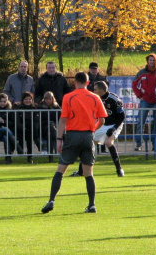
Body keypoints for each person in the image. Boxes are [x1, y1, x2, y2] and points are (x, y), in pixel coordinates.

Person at [41, 72, 107, 214]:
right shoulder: (95, 97)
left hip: (72, 135)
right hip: (88, 136)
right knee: (88, 173)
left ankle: (51, 200)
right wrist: (92, 131)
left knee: (60, 170)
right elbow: (102, 120)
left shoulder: (68, 97)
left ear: (74, 82)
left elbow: (63, 119)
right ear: (88, 83)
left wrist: (59, 139)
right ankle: (92, 205)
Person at [70, 81, 125, 177]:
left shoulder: (114, 99)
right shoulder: (95, 98)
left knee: (108, 142)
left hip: (115, 124)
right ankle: (81, 171)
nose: (93, 91)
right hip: (102, 124)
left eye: (95, 89)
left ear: (102, 90)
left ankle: (119, 169)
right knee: (88, 143)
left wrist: (113, 129)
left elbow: (122, 116)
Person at [132, 53, 156, 152]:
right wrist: (140, 95)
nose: (151, 62)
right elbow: (134, 84)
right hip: (145, 101)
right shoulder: (142, 72)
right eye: (150, 60)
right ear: (147, 61)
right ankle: (138, 144)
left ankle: (155, 144)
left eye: (153, 60)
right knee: (141, 122)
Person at [0, 93, 22, 164]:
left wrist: (4, 122)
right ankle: (18, 147)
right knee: (5, 130)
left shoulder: (10, 110)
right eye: (1, 101)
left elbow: (12, 123)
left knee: (6, 137)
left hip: (7, 132)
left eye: (4, 101)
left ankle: (8, 158)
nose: (2, 103)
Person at [13, 91, 39, 164]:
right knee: (30, 134)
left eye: (29, 99)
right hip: (20, 130)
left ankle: (30, 157)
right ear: (22, 100)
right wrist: (23, 128)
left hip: (31, 130)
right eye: (26, 99)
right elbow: (17, 122)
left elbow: (36, 121)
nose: (28, 101)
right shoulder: (17, 107)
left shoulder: (35, 107)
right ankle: (37, 143)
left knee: (30, 134)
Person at [37, 91, 60, 162]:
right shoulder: (40, 107)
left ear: (53, 99)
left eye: (50, 99)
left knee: (50, 135)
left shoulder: (57, 107)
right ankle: (58, 142)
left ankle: (51, 158)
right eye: (46, 99)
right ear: (44, 99)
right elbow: (39, 120)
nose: (48, 100)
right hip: (43, 128)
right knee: (51, 129)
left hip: (54, 128)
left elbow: (60, 118)